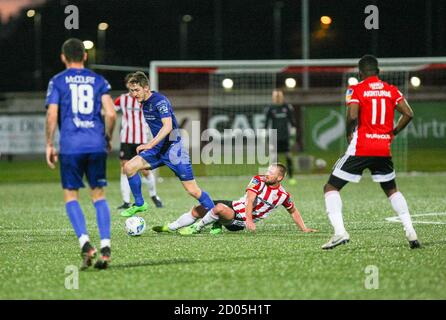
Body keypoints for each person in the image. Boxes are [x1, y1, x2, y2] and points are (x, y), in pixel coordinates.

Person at [321, 55, 420, 250]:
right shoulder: (391, 90)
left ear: (359, 73)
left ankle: (340, 232)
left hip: (362, 147)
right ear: (379, 72)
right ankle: (411, 232)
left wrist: (348, 133)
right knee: (392, 190)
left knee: (330, 187)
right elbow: (408, 113)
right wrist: (394, 131)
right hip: (383, 149)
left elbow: (352, 115)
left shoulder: (356, 89)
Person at [45, 38, 117, 269]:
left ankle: (86, 244)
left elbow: (52, 115)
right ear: (85, 56)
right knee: (99, 196)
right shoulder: (99, 80)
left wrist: (49, 144)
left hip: (71, 147)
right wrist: (106, 138)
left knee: (71, 196)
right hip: (96, 144)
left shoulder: (57, 81)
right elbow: (111, 113)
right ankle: (105, 247)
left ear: (63, 57)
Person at [120, 71, 215, 218]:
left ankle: (216, 217)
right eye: (132, 91)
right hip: (158, 150)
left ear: (146, 88)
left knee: (193, 190)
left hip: (174, 151)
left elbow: (167, 126)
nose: (134, 94)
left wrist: (149, 144)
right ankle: (139, 204)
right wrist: (152, 145)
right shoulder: (143, 103)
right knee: (129, 167)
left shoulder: (160, 101)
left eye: (137, 90)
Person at [152, 163, 317, 235]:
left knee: (218, 209)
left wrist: (304, 228)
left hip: (241, 220)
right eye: (268, 170)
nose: (267, 174)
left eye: (271, 173)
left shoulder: (283, 196)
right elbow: (250, 200)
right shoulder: (258, 179)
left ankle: (197, 228)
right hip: (235, 206)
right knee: (202, 207)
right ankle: (171, 227)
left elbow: (293, 211)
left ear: (279, 178)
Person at [114, 74, 163, 210]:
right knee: (124, 169)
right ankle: (126, 201)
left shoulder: (146, 98)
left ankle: (154, 195)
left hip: (142, 139)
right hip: (126, 139)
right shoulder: (122, 100)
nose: (133, 90)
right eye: (130, 86)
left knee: (145, 171)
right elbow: (110, 110)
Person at [264, 89, 297, 185]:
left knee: (288, 156)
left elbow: (292, 121)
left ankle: (291, 177)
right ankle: (273, 180)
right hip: (275, 137)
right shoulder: (270, 108)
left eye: (279, 96)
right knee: (274, 159)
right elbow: (266, 122)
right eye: (275, 96)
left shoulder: (287, 107)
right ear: (273, 97)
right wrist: (265, 134)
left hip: (285, 137)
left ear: (282, 97)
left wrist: (293, 131)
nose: (277, 98)